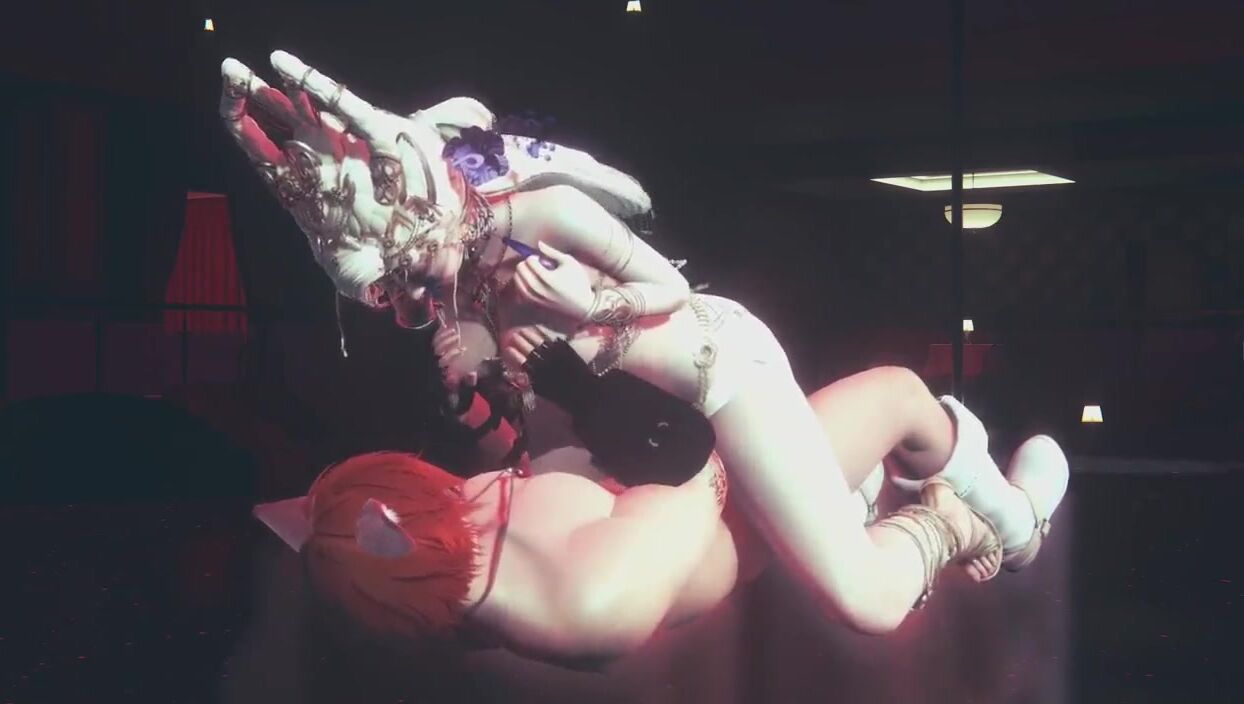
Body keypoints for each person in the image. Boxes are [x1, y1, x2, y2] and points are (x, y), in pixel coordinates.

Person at [224, 51, 1069, 642]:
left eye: (409, 272)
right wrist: (480, 401)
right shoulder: (457, 297)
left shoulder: (536, 215)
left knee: (864, 598)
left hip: (713, 378)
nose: (412, 298)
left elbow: (664, 288)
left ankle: (996, 517)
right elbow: (536, 429)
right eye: (393, 290)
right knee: (801, 531)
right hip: (642, 439)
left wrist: (588, 306)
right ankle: (940, 489)